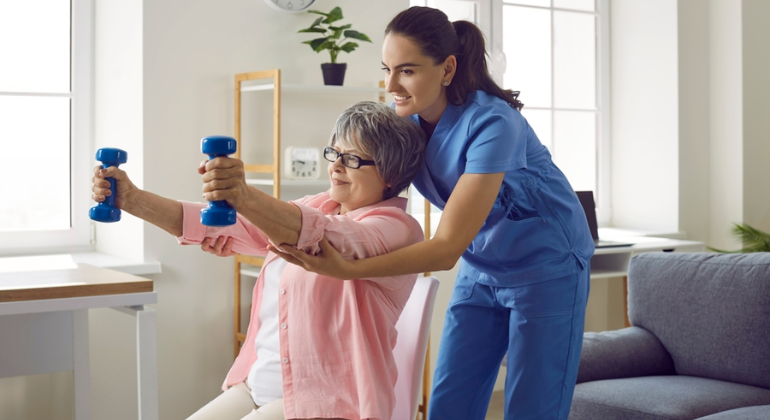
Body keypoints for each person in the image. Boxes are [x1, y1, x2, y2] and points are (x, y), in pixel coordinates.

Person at [242, 7, 595, 420]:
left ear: (447, 69)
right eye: (387, 69)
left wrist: (349, 270)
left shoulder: (495, 124)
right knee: (449, 406)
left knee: (532, 408)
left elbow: (444, 250)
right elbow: (365, 186)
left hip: (547, 266)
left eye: (406, 71)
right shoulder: (404, 124)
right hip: (481, 264)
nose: (390, 84)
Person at [91, 101, 427, 420]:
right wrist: (132, 199)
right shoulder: (320, 204)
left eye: (352, 159)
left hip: (328, 401)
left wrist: (244, 195)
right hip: (259, 385)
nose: (336, 166)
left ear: (389, 175)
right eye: (334, 153)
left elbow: (323, 237)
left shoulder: (398, 230)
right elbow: (224, 224)